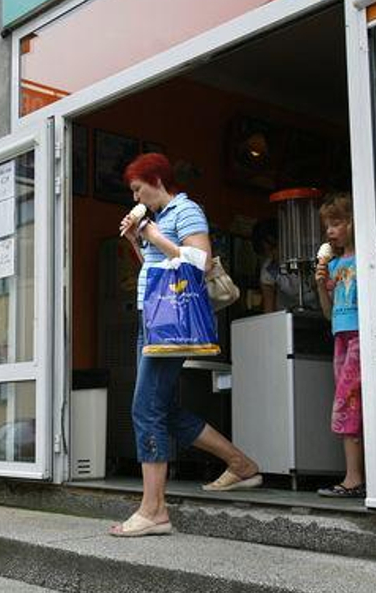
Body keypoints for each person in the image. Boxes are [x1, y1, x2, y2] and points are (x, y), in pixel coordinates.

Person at [112, 153, 261, 537]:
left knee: (145, 409)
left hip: (171, 325)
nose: (135, 196)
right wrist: (136, 239)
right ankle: (240, 464)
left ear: (156, 180)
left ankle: (154, 510)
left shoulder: (186, 210)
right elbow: (157, 267)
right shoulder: (158, 221)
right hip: (154, 322)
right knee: (162, 407)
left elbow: (199, 262)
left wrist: (148, 233)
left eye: (136, 188)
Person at [314, 193, 365, 498]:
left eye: (337, 223)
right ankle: (356, 476)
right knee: (349, 403)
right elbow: (327, 311)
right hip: (341, 337)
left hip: (359, 336)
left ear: (353, 222)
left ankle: (353, 478)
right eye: (328, 226)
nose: (330, 231)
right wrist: (321, 284)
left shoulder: (366, 260)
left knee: (346, 403)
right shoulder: (334, 265)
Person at [252, 218, 319, 312]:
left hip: (317, 312)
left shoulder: (310, 253)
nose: (272, 255)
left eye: (273, 248)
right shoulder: (269, 270)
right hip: (287, 316)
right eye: (267, 253)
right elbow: (268, 308)